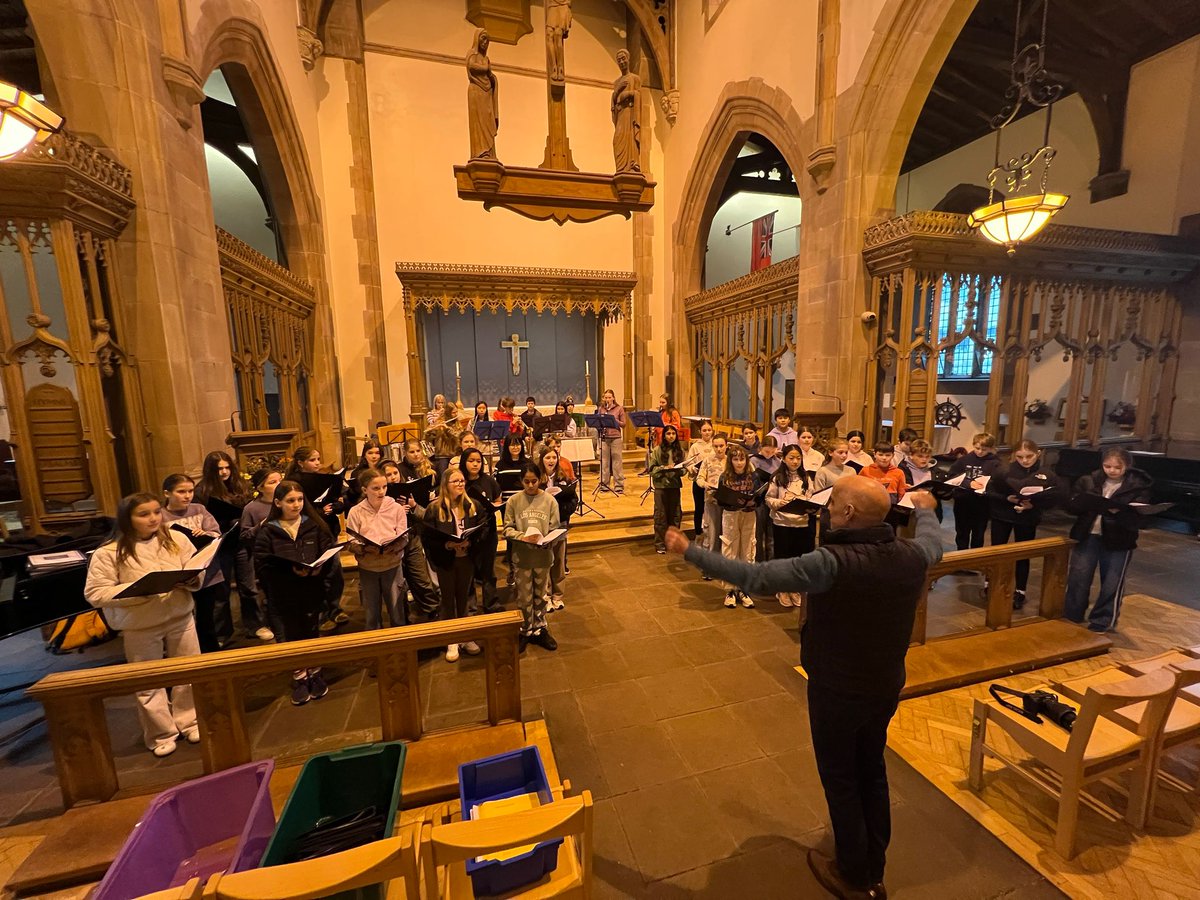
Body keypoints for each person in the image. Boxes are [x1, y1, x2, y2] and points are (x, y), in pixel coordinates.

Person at [664, 481, 942, 900]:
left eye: (832, 503)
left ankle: (854, 875)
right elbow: (936, 540)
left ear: (847, 513)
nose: (826, 508)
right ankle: (874, 866)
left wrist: (690, 551)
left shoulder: (831, 562)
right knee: (872, 769)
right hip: (884, 683)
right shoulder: (912, 555)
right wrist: (925, 509)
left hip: (837, 687)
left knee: (842, 778)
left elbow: (755, 577)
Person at [84, 492, 203, 757]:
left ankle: (190, 721)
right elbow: (95, 593)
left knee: (188, 672)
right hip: (141, 624)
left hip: (179, 616)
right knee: (148, 681)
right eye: (143, 514)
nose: (153, 518)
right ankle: (161, 733)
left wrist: (192, 580)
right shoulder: (109, 552)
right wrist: (138, 591)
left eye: (156, 512)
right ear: (128, 519)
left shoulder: (176, 538)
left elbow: (196, 567)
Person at [253, 480, 336, 706]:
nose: (296, 505)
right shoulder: (268, 531)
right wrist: (290, 571)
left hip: (311, 588)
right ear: (278, 503)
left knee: (311, 631)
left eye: (300, 500)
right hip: (284, 592)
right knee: (291, 635)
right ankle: (300, 676)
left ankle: (316, 672)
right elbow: (262, 564)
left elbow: (327, 551)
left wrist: (319, 568)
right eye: (290, 501)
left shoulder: (313, 524)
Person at [1063, 448, 1152, 633]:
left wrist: (1120, 512)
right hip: (1088, 534)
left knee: (1112, 580)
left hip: (1119, 538)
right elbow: (1071, 506)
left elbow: (1141, 517)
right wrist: (1081, 503)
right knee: (1079, 576)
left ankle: (1102, 619)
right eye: (1107, 466)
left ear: (1127, 465)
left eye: (1117, 467)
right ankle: (1073, 613)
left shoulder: (1138, 485)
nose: (1111, 470)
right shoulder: (1089, 480)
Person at [987, 439, 1059, 610]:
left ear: (1038, 453)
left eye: (1029, 456)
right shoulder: (1003, 471)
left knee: (1023, 554)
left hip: (1027, 518)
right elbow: (989, 491)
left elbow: (1053, 498)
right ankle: (990, 583)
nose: (1025, 460)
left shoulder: (1046, 474)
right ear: (1014, 455)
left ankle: (1020, 590)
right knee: (996, 550)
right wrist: (1006, 498)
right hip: (1002, 515)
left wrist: (1034, 505)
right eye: (1020, 457)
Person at [424, 468, 488, 661]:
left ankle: (466, 636)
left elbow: (483, 528)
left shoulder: (472, 505)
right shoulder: (435, 509)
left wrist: (470, 542)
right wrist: (447, 544)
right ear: (446, 485)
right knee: (448, 599)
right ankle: (452, 639)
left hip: (466, 558)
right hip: (446, 560)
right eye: (456, 481)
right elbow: (427, 537)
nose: (461, 484)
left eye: (462, 481)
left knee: (464, 597)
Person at [160, 473, 228, 653]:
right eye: (181, 491)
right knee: (182, 619)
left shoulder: (199, 509)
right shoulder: (161, 516)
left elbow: (216, 533)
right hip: (179, 574)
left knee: (207, 617)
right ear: (167, 493)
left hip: (206, 570)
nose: (187, 496)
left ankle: (210, 654)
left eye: (190, 491)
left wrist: (205, 534)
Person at [286, 446, 349, 631]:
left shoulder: (324, 479)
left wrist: (336, 506)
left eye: (318, 459)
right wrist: (320, 511)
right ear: (300, 463)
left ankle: (335, 608)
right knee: (318, 575)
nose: (318, 463)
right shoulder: (293, 483)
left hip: (329, 531)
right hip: (308, 534)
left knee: (335, 573)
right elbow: (298, 509)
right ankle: (321, 614)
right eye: (313, 460)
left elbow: (337, 500)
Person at [193, 450, 252, 644]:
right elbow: (201, 519)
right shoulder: (202, 491)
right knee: (222, 591)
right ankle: (223, 632)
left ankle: (255, 625)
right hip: (219, 545)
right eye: (219, 469)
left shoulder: (239, 485)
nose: (224, 472)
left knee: (248, 586)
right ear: (211, 471)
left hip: (240, 541)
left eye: (227, 467)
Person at [504, 463, 561, 652]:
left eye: (534, 481)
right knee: (524, 595)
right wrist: (523, 537)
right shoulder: (514, 501)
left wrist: (548, 539)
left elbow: (554, 527)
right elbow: (507, 528)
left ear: (541, 479)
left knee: (540, 594)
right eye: (526, 481)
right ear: (521, 481)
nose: (530, 485)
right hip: (522, 556)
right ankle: (525, 629)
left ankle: (540, 628)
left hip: (543, 556)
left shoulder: (550, 501)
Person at [346, 467, 409, 630]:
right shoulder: (355, 511)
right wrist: (364, 549)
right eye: (376, 488)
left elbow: (404, 536)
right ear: (364, 490)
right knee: (372, 614)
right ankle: (375, 650)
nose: (381, 491)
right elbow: (351, 540)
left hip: (392, 564)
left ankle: (400, 650)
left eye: (384, 487)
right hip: (368, 567)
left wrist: (394, 546)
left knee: (396, 612)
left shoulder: (395, 508)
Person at [382, 459, 441, 622]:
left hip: (413, 539)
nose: (393, 477)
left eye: (395, 473)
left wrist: (414, 506)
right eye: (388, 474)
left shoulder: (410, 491)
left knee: (421, 579)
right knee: (398, 585)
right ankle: (402, 617)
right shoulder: (380, 496)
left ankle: (432, 610)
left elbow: (426, 517)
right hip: (392, 544)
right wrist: (397, 511)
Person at [395, 442, 443, 620]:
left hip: (426, 515)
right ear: (405, 453)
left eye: (418, 451)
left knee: (427, 561)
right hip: (409, 523)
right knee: (415, 565)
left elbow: (438, 487)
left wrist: (434, 494)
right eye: (411, 451)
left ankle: (432, 597)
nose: (415, 454)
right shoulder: (400, 469)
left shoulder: (430, 467)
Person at [765, 444, 814, 608]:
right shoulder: (777, 477)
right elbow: (768, 499)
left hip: (801, 523)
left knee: (797, 557)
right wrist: (780, 502)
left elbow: (811, 497)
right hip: (782, 522)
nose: (795, 461)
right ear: (784, 459)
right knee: (783, 557)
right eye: (791, 458)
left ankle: (794, 588)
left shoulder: (806, 478)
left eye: (798, 458)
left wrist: (809, 504)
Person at [237, 468, 281, 643]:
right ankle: (265, 625)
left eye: (280, 480)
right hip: (263, 557)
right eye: (273, 482)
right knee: (265, 593)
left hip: (283, 554)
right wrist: (261, 526)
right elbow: (244, 536)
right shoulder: (252, 508)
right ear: (261, 488)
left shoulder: (284, 502)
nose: (278, 485)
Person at [461, 447, 502, 614]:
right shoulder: (460, 481)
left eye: (478, 461)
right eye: (471, 461)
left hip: (488, 530)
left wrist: (494, 506)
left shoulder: (488, 480)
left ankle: (491, 603)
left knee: (488, 570)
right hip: (467, 532)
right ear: (464, 462)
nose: (475, 464)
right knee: (468, 571)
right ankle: (470, 607)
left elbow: (498, 499)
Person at [717, 443, 758, 608]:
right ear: (730, 461)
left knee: (747, 550)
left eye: (742, 459)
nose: (739, 463)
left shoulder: (753, 476)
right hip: (731, 515)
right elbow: (720, 499)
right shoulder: (724, 477)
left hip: (748, 515)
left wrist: (753, 500)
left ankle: (744, 589)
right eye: (736, 459)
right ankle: (730, 590)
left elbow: (759, 496)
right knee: (730, 549)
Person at [945, 432, 1001, 550]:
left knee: (979, 533)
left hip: (982, 504)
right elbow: (952, 476)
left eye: (984, 449)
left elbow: (999, 481)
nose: (980, 451)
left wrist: (986, 485)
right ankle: (961, 556)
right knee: (962, 532)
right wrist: (969, 483)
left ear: (991, 449)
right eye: (977, 448)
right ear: (973, 445)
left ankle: (975, 558)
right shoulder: (964, 460)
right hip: (963, 501)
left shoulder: (995, 463)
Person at [538, 446, 575, 611]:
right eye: (547, 458)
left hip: (560, 524)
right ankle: (545, 597)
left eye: (553, 457)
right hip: (543, 525)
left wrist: (562, 509)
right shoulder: (537, 478)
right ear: (542, 460)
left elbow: (573, 501)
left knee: (559, 562)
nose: (551, 461)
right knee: (545, 561)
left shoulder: (564, 477)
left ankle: (558, 596)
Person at [649, 423, 684, 554]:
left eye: (673, 434)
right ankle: (660, 543)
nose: (671, 436)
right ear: (664, 435)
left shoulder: (679, 451)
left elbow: (684, 469)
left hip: (674, 486)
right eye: (668, 434)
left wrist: (680, 469)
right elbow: (651, 469)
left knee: (675, 515)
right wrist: (664, 468)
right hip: (661, 486)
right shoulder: (657, 450)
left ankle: (674, 543)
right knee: (660, 515)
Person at [697, 433, 728, 567]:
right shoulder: (707, 460)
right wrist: (704, 484)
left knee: (726, 533)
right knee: (711, 533)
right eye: (716, 446)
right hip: (711, 500)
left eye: (721, 446)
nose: (719, 449)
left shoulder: (731, 460)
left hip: (728, 502)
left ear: (726, 446)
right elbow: (699, 478)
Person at [751, 436, 780, 562]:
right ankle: (758, 560)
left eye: (772, 451)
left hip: (772, 500)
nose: (769, 454)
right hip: (758, 501)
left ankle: (771, 560)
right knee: (758, 533)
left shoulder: (778, 461)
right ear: (761, 448)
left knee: (772, 534)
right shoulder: (753, 460)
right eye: (767, 451)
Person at [688, 419, 715, 538]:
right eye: (704, 430)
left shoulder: (717, 444)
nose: (707, 432)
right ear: (700, 431)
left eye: (709, 430)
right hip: (699, 480)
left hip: (713, 481)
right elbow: (688, 463)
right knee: (699, 507)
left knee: (712, 507)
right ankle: (698, 532)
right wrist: (692, 468)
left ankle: (712, 532)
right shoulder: (695, 446)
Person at [598, 388, 627, 494]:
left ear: (613, 398)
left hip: (615, 438)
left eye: (609, 397)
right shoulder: (601, 408)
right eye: (606, 397)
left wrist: (614, 420)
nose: (607, 399)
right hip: (605, 437)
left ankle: (619, 485)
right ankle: (604, 485)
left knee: (617, 462)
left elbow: (624, 424)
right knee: (604, 462)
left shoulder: (619, 409)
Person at [345, 439, 384, 507]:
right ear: (364, 455)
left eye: (377, 453)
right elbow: (353, 497)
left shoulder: (385, 469)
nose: (374, 456)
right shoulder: (356, 473)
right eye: (370, 453)